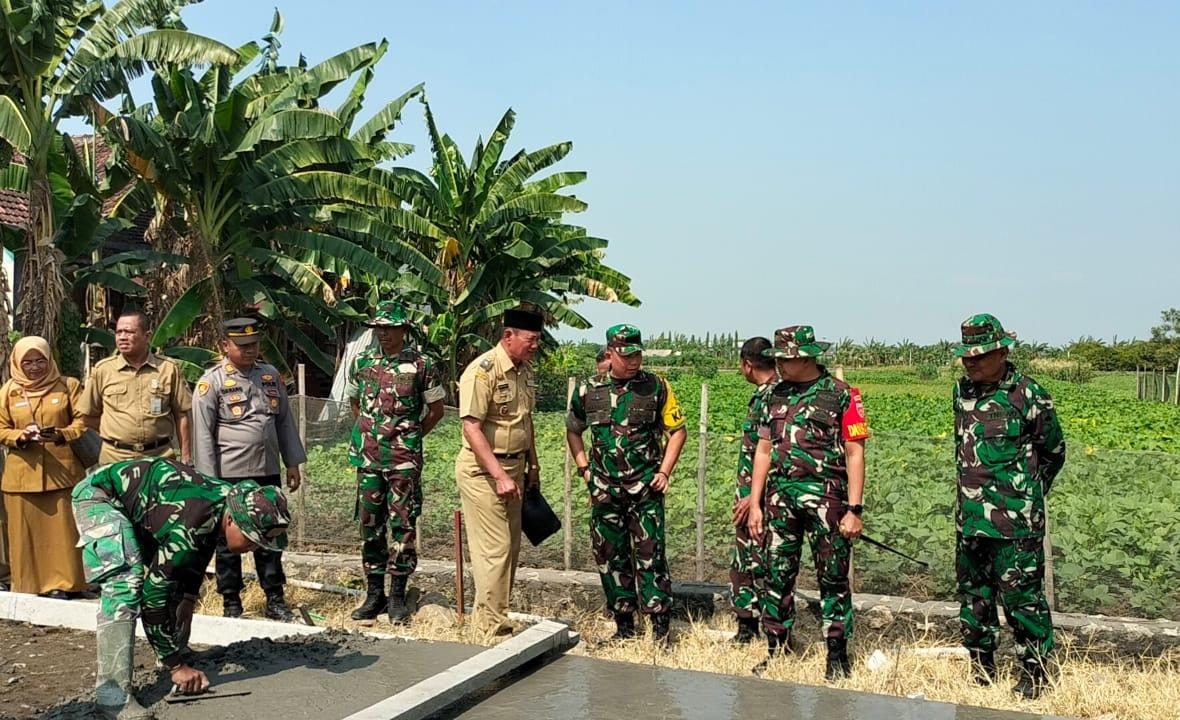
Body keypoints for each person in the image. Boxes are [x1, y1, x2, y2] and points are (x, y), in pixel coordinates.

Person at [72, 457, 289, 719]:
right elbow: (152, 600)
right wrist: (176, 667)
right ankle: (112, 698)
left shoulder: (224, 500)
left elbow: (201, 547)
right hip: (101, 496)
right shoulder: (189, 524)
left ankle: (173, 651)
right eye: (251, 541)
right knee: (125, 586)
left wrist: (188, 597)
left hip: (148, 503)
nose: (253, 549)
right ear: (232, 521)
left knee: (174, 578)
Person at [952, 314, 1065, 699]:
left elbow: (1053, 452)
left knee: (1022, 601)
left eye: (980, 356)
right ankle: (981, 668)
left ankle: (1034, 673)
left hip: (1015, 525)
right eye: (966, 356)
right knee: (975, 599)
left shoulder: (1029, 395)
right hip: (970, 520)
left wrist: (1025, 496)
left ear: (1002, 352)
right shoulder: (962, 393)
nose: (971, 362)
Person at [747, 325, 868, 681]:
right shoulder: (774, 395)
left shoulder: (842, 395)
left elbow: (854, 452)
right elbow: (764, 449)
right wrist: (755, 502)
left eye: (785, 359)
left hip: (828, 503)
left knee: (833, 580)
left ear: (805, 357)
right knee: (776, 577)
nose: (779, 365)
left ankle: (837, 656)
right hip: (780, 502)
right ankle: (777, 648)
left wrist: (854, 509)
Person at [566, 324, 687, 642]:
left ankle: (660, 632)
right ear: (610, 353)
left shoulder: (656, 387)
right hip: (604, 491)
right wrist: (584, 470)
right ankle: (624, 628)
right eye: (627, 354)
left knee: (651, 556)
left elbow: (678, 432)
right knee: (609, 556)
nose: (634, 360)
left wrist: (664, 472)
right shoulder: (588, 390)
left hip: (644, 490)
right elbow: (573, 430)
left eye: (638, 354)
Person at [191, 318, 305, 621]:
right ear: (224, 346)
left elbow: (283, 422)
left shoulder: (269, 376)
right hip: (229, 475)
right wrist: (209, 483)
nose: (249, 350)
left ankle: (275, 598)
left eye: (253, 344)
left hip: (266, 471)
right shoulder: (210, 383)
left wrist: (292, 461)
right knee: (229, 542)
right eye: (242, 346)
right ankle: (231, 601)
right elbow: (202, 435)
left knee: (270, 534)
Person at [346, 301, 445, 623]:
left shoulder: (421, 364)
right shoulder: (362, 361)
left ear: (404, 330)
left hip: (403, 460)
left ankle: (398, 596)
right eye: (378, 329)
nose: (383, 334)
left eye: (389, 328)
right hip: (369, 459)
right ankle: (374, 594)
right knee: (370, 525)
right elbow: (355, 403)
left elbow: (436, 411)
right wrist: (371, 437)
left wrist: (409, 438)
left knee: (403, 526)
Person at [455, 307, 542, 637]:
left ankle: (491, 617)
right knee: (496, 549)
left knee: (511, 550)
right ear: (509, 336)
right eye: (530, 340)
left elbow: (525, 422)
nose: (535, 345)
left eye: (537, 340)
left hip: (515, 469)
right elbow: (472, 428)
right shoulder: (482, 372)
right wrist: (499, 476)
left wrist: (532, 466)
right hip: (483, 473)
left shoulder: (523, 371)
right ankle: (494, 629)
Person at [0, 337, 88, 598]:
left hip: (62, 472)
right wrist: (20, 436)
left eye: (40, 361)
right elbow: (2, 427)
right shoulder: (8, 391)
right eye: (27, 362)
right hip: (21, 475)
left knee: (63, 533)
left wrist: (62, 434)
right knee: (24, 535)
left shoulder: (68, 386)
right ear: (17, 363)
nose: (34, 367)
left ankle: (66, 584)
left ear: (49, 360)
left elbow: (84, 422)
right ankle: (27, 584)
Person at [79, 310, 192, 465]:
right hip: (115, 459)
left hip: (160, 457)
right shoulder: (103, 370)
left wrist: (186, 457)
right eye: (119, 332)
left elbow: (182, 416)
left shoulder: (168, 369)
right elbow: (88, 416)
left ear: (147, 336)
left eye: (130, 332)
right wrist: (117, 432)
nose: (122, 337)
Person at [729, 336, 777, 643]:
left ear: (748, 365)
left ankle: (769, 630)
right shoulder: (764, 394)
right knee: (744, 559)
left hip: (760, 498)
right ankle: (746, 627)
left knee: (762, 562)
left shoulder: (773, 397)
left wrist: (753, 496)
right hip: (750, 494)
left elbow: (772, 451)